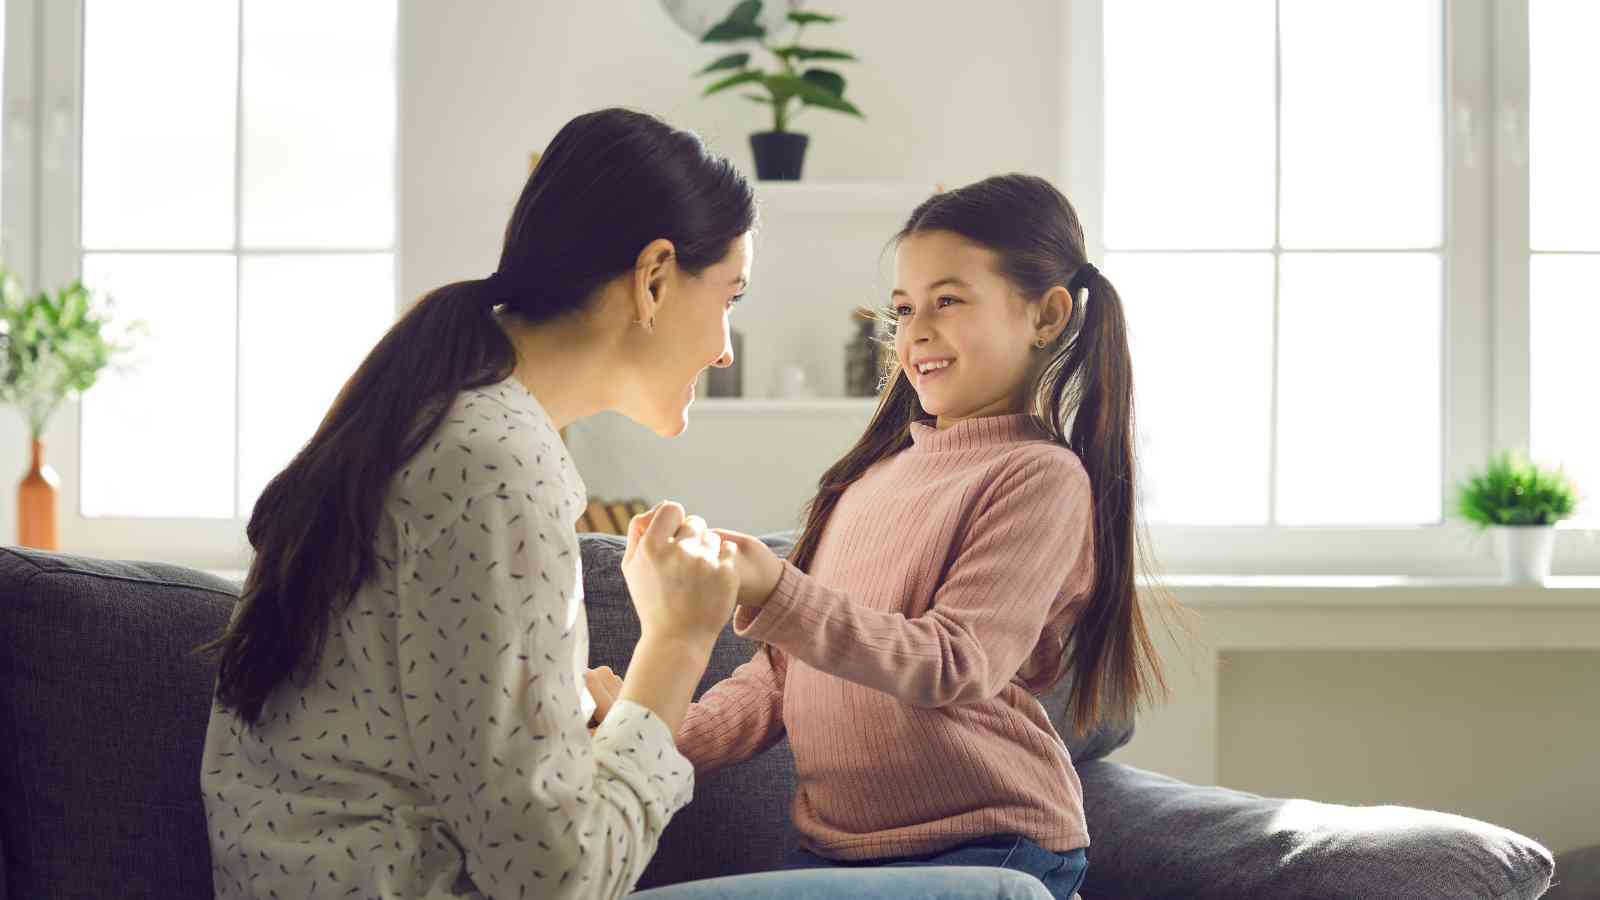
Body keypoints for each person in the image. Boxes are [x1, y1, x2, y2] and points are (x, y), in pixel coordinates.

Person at [195, 108, 1053, 900]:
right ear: (654, 279)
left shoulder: (450, 426)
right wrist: (676, 641)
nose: (725, 349)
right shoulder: (497, 463)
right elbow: (556, 877)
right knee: (1009, 898)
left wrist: (620, 717)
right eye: (731, 298)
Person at [671, 174, 1170, 900]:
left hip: (991, 846)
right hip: (837, 852)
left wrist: (778, 591)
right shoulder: (868, 480)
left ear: (1047, 315)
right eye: (904, 308)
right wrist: (651, 735)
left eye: (948, 301)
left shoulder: (1039, 476)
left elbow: (955, 662)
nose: (917, 331)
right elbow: (781, 676)